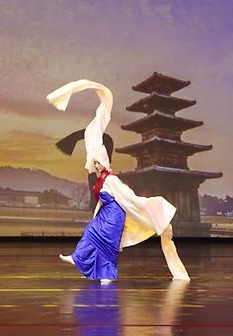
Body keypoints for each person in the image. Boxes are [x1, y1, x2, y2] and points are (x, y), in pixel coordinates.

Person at [47, 79, 190, 283]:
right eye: (94, 164)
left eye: (98, 164)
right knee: (91, 234)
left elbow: (129, 198)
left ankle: (106, 273)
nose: (96, 167)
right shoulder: (100, 179)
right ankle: (79, 260)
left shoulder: (111, 180)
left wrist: (149, 206)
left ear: (104, 164)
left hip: (114, 215)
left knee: (107, 243)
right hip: (105, 213)